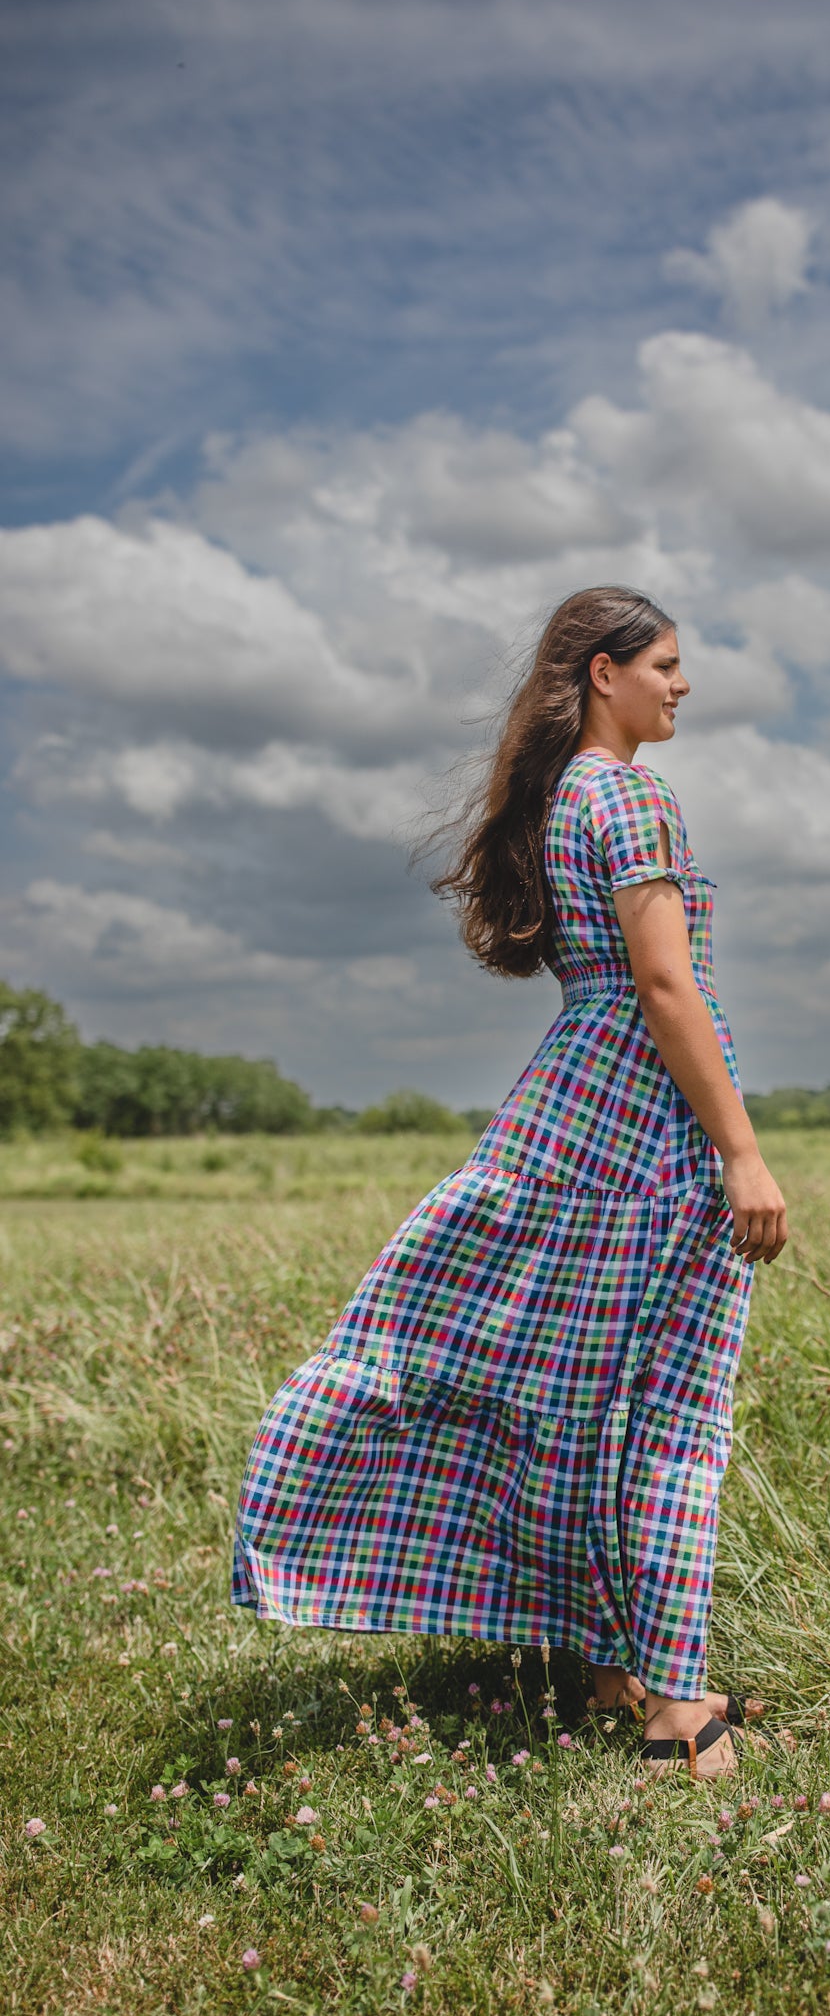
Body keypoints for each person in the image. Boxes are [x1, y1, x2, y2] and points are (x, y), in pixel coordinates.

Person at [232, 585, 787, 1780]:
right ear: (603, 673)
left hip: (575, 1098)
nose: (683, 686)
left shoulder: (559, 800)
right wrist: (741, 1148)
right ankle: (678, 1704)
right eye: (669, 665)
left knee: (583, 1389)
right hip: (643, 1114)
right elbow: (666, 986)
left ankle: (609, 1662)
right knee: (667, 1403)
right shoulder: (631, 794)